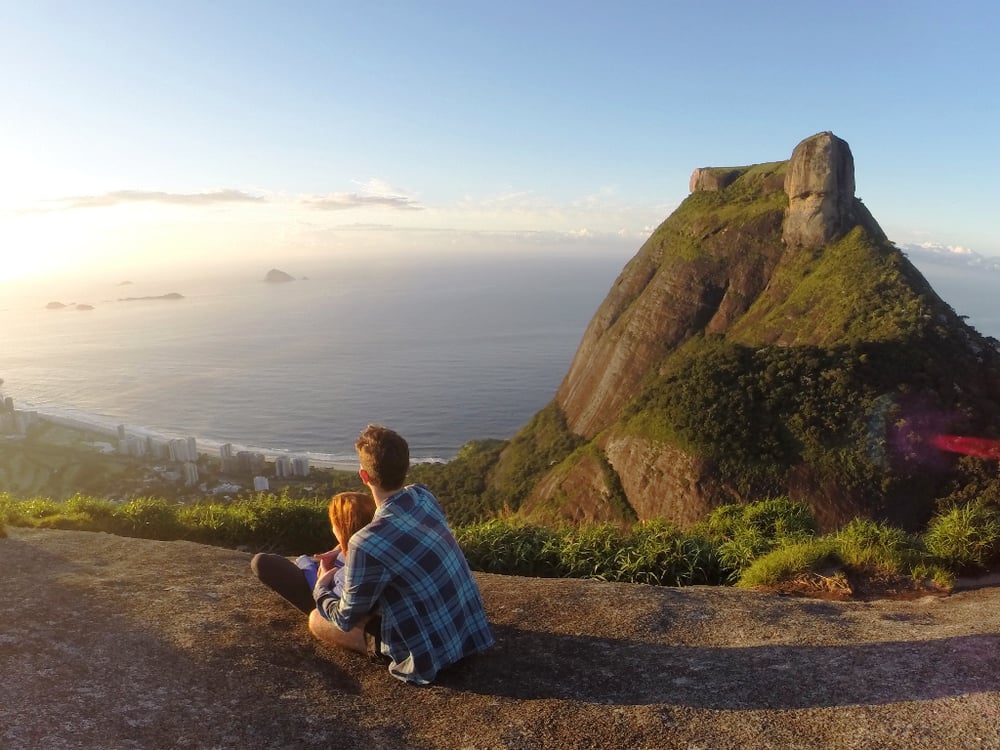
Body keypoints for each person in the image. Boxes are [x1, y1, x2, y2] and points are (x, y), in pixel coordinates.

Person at [309, 424, 494, 685]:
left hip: (427, 655)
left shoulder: (366, 542)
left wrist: (321, 586)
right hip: (467, 634)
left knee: (317, 619)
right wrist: (342, 548)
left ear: (364, 476)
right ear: (405, 467)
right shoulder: (422, 496)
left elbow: (344, 618)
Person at [250, 491, 375, 616]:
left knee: (262, 562)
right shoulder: (371, 545)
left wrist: (320, 579)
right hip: (331, 575)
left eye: (334, 523)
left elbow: (336, 607)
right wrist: (338, 551)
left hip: (323, 600)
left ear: (341, 526)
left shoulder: (351, 572)